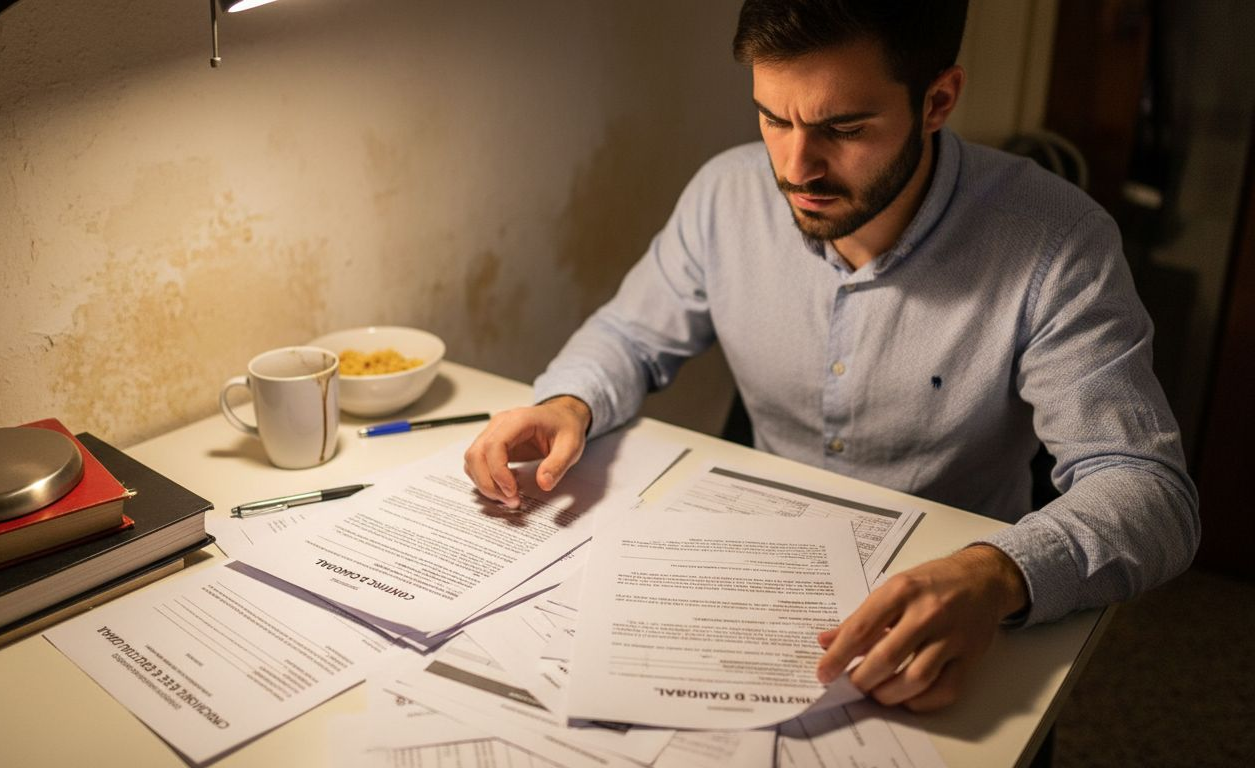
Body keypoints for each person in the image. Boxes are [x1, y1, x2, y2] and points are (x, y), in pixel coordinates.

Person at [463, 0, 1198, 712]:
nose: (795, 167)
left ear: (938, 99)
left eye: (842, 127)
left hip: (946, 614)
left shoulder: (1057, 243)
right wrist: (567, 402)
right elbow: (628, 336)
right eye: (773, 117)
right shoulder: (725, 195)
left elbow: (1147, 489)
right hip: (746, 590)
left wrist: (998, 572)